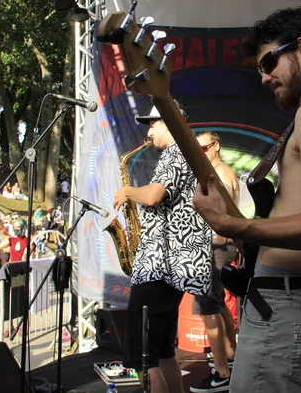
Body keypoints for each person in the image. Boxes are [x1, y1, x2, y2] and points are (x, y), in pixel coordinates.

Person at [192, 6, 301, 393]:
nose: (264, 76)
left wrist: (230, 225)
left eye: (269, 61)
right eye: (260, 68)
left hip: (287, 301)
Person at [113, 102, 212, 393]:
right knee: (163, 349)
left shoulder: (176, 152)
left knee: (145, 353)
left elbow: (154, 195)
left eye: (153, 123)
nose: (150, 130)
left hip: (159, 267)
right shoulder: (189, 152)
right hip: (172, 268)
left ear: (168, 122)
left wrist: (128, 191)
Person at [190, 131, 240, 393]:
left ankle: (221, 373)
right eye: (198, 149)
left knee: (209, 308)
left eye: (205, 147)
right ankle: (231, 358)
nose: (202, 153)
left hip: (214, 247)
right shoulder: (225, 171)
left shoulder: (218, 173)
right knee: (218, 305)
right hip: (220, 246)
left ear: (216, 146)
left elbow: (219, 215)